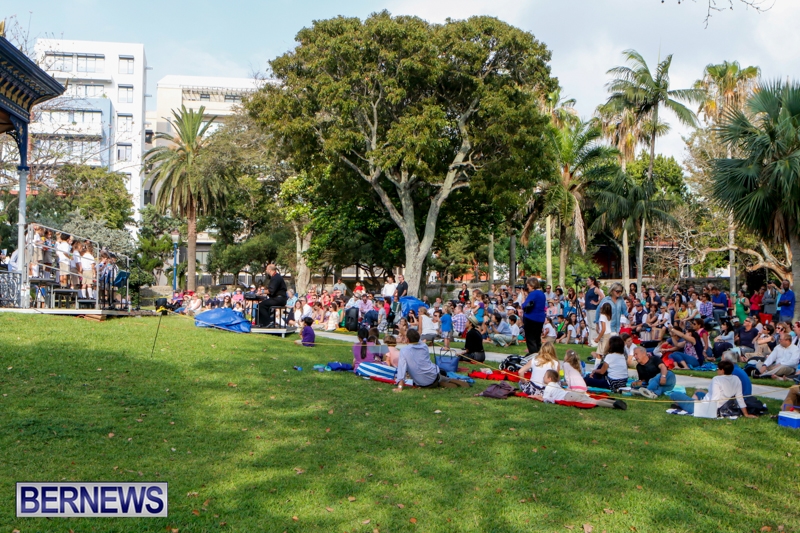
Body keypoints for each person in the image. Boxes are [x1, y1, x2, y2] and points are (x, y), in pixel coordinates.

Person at [668, 360, 757, 417]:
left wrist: (711, 413)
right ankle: (685, 404)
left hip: (706, 407)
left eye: (718, 369)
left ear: (722, 370)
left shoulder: (717, 379)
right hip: (722, 405)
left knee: (675, 394)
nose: (717, 370)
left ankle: (686, 405)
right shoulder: (736, 379)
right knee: (699, 392)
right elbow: (740, 398)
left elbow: (715, 398)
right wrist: (746, 414)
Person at [393, 329, 468, 390]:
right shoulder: (424, 346)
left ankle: (441, 382)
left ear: (408, 339)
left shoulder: (404, 351)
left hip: (421, 383)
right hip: (433, 375)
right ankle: (447, 381)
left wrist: (400, 387)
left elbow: (402, 370)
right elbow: (417, 340)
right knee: (441, 376)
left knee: (439, 379)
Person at [541, 370, 627, 409]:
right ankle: (613, 401)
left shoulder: (549, 386)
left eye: (544, 376)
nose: (543, 377)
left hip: (569, 396)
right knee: (593, 399)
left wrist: (536, 396)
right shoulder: (556, 384)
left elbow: (545, 398)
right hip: (572, 394)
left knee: (594, 402)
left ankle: (613, 405)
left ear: (549, 379)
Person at [521, 277, 546, 355]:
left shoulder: (533, 293)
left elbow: (524, 306)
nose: (527, 287)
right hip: (540, 319)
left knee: (531, 340)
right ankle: (539, 355)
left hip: (531, 319)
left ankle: (533, 356)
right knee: (537, 339)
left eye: (528, 285)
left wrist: (523, 297)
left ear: (531, 285)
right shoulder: (542, 293)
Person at [584, 276, 603, 345]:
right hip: (588, 308)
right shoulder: (589, 289)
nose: (587, 282)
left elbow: (602, 296)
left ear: (592, 281)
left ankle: (594, 341)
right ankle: (590, 341)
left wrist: (597, 302)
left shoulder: (595, 289)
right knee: (589, 325)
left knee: (593, 325)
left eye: (588, 280)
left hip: (593, 308)